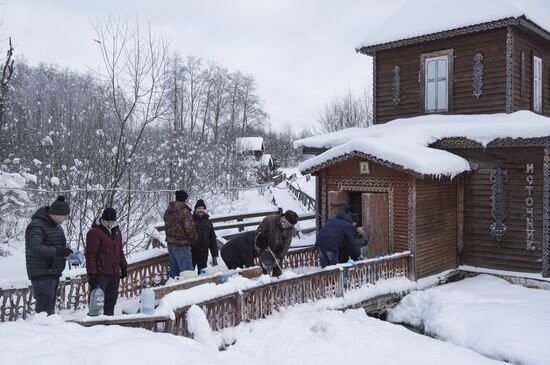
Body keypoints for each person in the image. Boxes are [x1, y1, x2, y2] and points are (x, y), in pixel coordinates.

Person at [25, 195, 72, 315]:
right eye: (64, 216)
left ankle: (48, 331)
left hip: (52, 272)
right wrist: (58, 251)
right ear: (57, 214)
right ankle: (41, 331)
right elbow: (34, 248)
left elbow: (54, 245)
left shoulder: (54, 226)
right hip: (42, 273)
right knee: (44, 312)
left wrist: (66, 253)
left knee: (49, 310)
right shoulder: (37, 225)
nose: (65, 219)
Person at [85, 207, 128, 316]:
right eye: (107, 221)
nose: (109, 224)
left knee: (111, 302)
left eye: (111, 222)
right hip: (100, 274)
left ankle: (109, 325)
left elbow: (119, 250)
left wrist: (123, 266)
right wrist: (92, 274)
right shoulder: (94, 232)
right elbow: (90, 254)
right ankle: (93, 324)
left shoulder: (117, 230)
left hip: (114, 272)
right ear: (102, 219)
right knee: (96, 303)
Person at [163, 190, 197, 278]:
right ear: (185, 199)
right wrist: (194, 239)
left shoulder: (169, 210)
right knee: (187, 276)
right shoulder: (184, 211)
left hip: (171, 245)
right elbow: (189, 228)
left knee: (175, 276)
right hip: (182, 245)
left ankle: (176, 291)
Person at [257, 209, 298, 276]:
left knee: (278, 273)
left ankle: (277, 283)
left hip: (277, 252)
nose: (286, 226)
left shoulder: (290, 230)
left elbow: (286, 245)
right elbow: (259, 232)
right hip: (265, 250)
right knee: (265, 273)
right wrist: (263, 242)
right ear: (283, 216)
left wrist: (279, 258)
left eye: (288, 225)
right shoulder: (269, 220)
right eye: (285, 222)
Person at [191, 199, 218, 274]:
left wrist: (214, 254)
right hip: (193, 252)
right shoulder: (190, 220)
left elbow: (212, 238)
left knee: (203, 273)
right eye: (199, 208)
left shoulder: (208, 222)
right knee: (190, 272)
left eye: (203, 208)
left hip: (204, 252)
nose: (201, 210)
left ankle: (202, 285)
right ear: (195, 209)